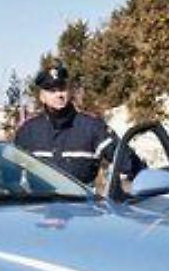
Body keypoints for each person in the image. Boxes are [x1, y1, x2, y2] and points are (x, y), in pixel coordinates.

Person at [14, 63, 144, 185]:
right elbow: (9, 174)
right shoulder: (28, 132)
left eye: (62, 89)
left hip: (82, 206)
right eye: (52, 91)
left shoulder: (92, 127)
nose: (59, 95)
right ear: (42, 96)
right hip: (39, 205)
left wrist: (148, 181)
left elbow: (128, 162)